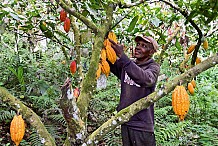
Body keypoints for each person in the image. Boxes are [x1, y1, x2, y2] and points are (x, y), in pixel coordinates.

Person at [108, 35, 160, 146]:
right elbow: (111, 64)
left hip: (142, 125)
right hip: (125, 120)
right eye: (138, 44)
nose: (138, 47)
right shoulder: (129, 64)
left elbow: (145, 79)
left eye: (144, 46)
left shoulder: (153, 67)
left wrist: (123, 56)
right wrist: (104, 48)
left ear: (151, 52)